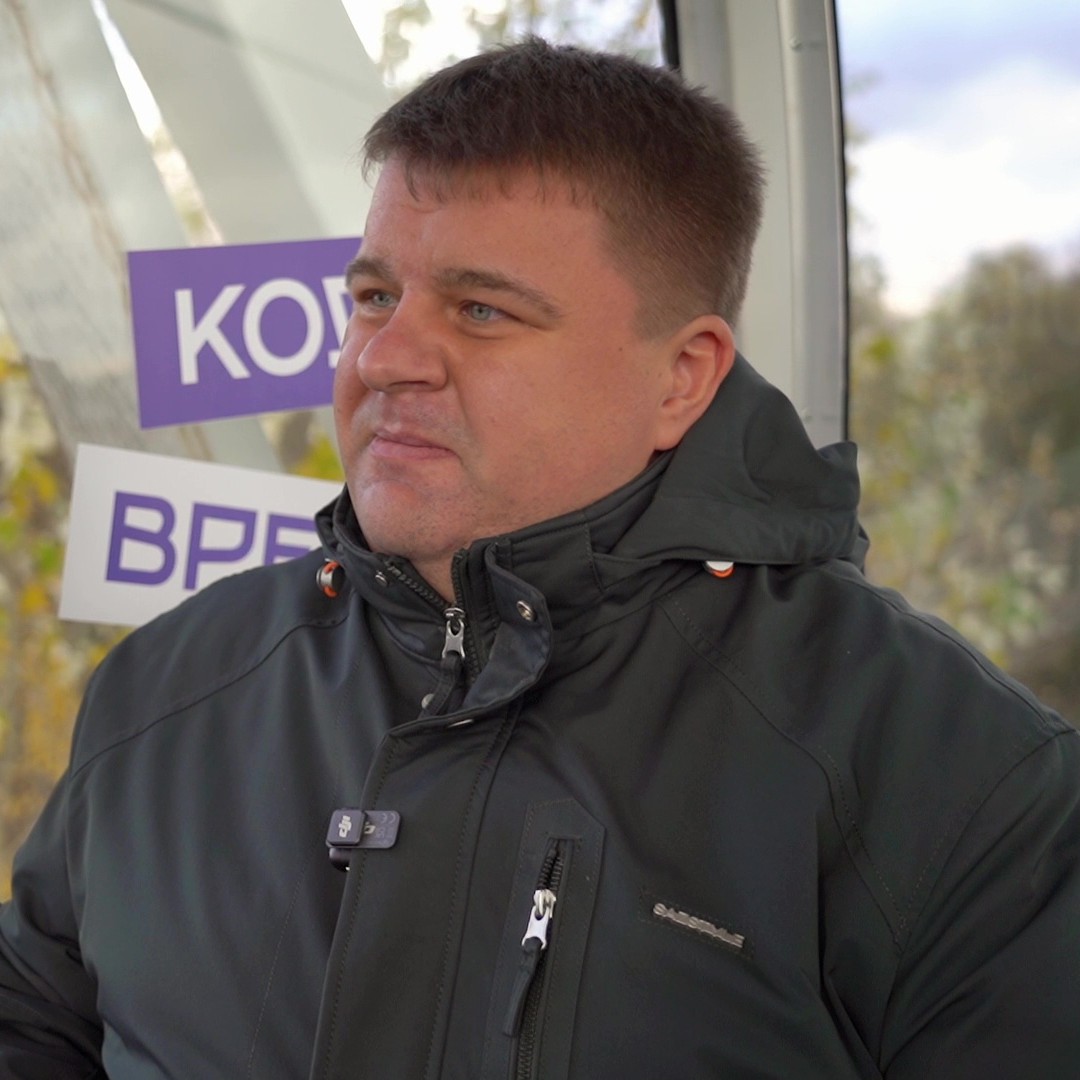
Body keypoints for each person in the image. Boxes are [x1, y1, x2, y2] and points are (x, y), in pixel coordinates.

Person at [1, 37, 1078, 1080]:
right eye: (374, 297)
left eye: (481, 310)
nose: (386, 358)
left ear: (682, 379)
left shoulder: (948, 779)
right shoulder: (168, 690)